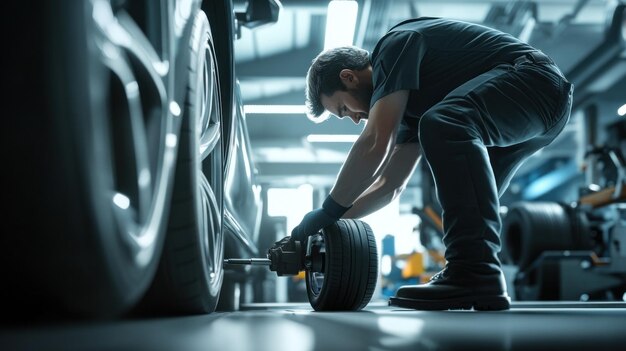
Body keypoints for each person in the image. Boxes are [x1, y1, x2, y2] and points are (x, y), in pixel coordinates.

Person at [280, 17, 573, 310]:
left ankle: (473, 273)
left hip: (535, 80)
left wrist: (329, 209)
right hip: (542, 109)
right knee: (471, 192)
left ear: (349, 77)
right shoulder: (411, 109)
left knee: (444, 123)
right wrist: (331, 227)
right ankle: (479, 278)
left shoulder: (394, 46)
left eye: (344, 109)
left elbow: (375, 141)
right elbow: (390, 185)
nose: (355, 118)